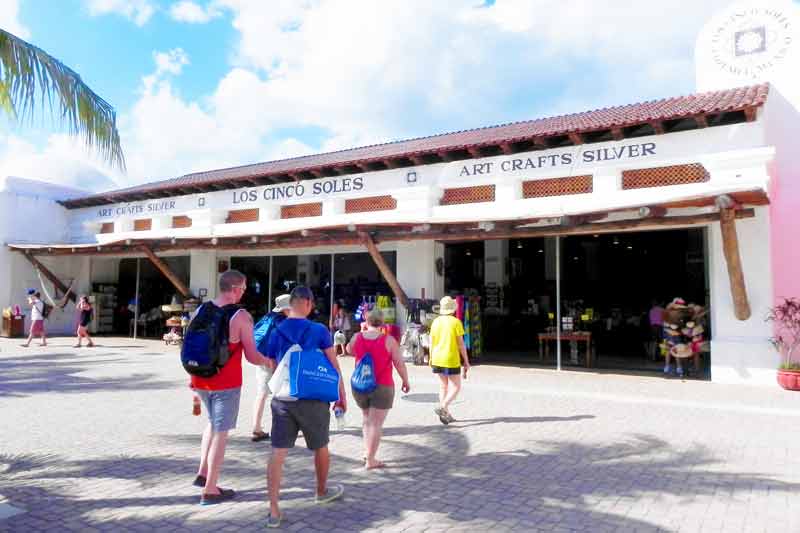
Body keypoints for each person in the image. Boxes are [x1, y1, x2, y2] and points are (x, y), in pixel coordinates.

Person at [264, 286, 347, 528]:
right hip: (314, 397)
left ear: (291, 304)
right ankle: (321, 491)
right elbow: (333, 365)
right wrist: (341, 395)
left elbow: (271, 364)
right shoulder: (319, 330)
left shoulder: (277, 331)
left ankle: (274, 510)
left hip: (283, 398)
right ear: (309, 303)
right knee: (320, 446)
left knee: (278, 452)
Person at [191, 270, 272, 505]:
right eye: (244, 288)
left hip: (201, 379)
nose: (245, 292)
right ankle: (210, 489)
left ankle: (203, 471)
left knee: (212, 424)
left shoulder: (201, 309)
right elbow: (252, 356)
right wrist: (268, 361)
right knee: (221, 432)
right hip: (226, 382)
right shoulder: (241, 316)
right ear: (235, 288)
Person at [346, 307, 410, 470]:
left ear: (366, 322)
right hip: (383, 385)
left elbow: (349, 350)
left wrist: (361, 333)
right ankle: (371, 459)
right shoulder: (389, 341)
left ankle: (367, 451)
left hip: (360, 384)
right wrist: (405, 380)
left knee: (367, 420)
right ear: (383, 323)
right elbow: (399, 364)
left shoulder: (356, 337)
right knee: (376, 423)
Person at [251, 293, 291, 442]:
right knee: (281, 395)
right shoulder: (283, 322)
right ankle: (281, 428)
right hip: (275, 362)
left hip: (261, 358)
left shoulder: (267, 317)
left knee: (261, 393)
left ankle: (256, 427)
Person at [430, 295, 470, 425]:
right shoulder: (455, 322)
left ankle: (446, 413)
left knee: (443, 386)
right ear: (452, 309)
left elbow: (431, 342)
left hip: (437, 357)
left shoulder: (436, 322)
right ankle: (444, 406)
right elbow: (461, 344)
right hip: (450, 357)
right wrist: (466, 361)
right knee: (456, 386)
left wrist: (430, 357)